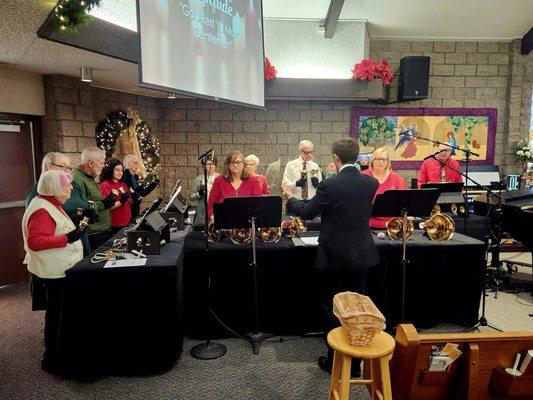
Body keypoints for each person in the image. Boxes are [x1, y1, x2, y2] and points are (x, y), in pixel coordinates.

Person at [284, 138, 379, 376]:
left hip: (335, 255)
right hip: (361, 253)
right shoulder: (371, 182)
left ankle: (334, 359)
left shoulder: (330, 185)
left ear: (335, 158)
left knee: (333, 307)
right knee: (358, 307)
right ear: (356, 157)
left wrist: (289, 197)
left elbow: (307, 212)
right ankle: (356, 362)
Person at [22, 170, 84, 373]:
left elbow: (55, 228)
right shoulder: (43, 209)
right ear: (56, 189)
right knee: (56, 315)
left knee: (59, 314)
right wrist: (69, 238)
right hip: (54, 272)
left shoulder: (50, 204)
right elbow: (36, 242)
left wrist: (73, 220)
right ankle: (53, 359)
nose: (71, 188)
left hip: (58, 269)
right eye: (68, 185)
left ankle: (59, 353)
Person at [25, 152, 96, 257]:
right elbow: (36, 236)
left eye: (69, 167)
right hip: (57, 254)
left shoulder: (74, 186)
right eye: (63, 166)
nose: (67, 170)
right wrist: (68, 236)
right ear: (49, 166)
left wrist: (85, 215)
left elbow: (83, 205)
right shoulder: (40, 191)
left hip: (79, 244)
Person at [71, 147, 116, 250]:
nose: (103, 166)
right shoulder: (77, 178)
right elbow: (79, 207)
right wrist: (103, 204)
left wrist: (106, 201)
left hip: (101, 231)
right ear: (91, 164)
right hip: (93, 234)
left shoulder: (90, 176)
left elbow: (93, 199)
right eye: (101, 163)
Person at [207, 151, 262, 220]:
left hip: (246, 223)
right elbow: (211, 204)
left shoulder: (253, 181)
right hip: (224, 223)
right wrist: (214, 217)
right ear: (227, 165)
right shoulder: (219, 180)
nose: (235, 165)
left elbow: (259, 203)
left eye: (238, 162)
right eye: (232, 162)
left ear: (243, 164)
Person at [362, 147, 407, 229]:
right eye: (378, 159)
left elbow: (403, 201)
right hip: (367, 224)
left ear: (388, 162)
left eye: (384, 159)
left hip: (391, 226)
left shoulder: (396, 178)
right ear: (372, 160)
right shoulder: (363, 176)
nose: (381, 162)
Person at [99, 158, 132, 234]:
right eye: (117, 170)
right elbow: (107, 207)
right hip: (116, 224)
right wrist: (121, 201)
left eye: (121, 170)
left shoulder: (122, 184)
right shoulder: (105, 185)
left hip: (127, 221)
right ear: (110, 170)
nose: (120, 173)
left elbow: (128, 201)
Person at [122, 154, 159, 220]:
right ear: (129, 165)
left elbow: (143, 193)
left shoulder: (135, 176)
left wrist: (155, 182)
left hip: (135, 209)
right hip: (128, 210)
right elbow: (133, 195)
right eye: (135, 163)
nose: (138, 165)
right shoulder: (124, 177)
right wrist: (138, 197)